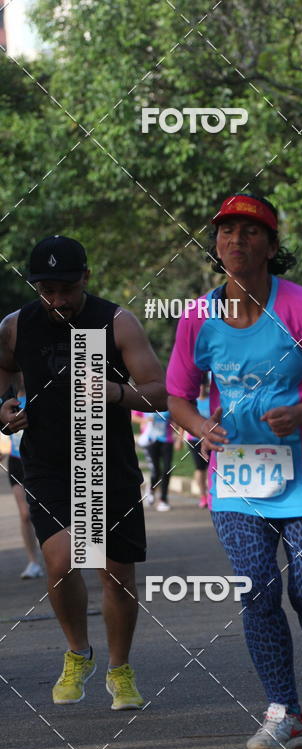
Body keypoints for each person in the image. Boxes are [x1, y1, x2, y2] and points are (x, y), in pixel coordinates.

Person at [167, 194, 302, 749]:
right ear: (215, 245)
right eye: (227, 231)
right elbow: (178, 396)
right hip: (237, 482)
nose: (237, 240)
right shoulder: (198, 318)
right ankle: (285, 711)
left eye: (251, 232)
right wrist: (198, 429)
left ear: (273, 246)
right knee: (257, 589)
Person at [0, 235, 167, 709]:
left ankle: (120, 668)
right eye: (46, 291)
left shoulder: (116, 322)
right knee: (61, 560)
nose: (57, 300)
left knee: (116, 574)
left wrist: (117, 394)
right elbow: (2, 370)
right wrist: (4, 407)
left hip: (106, 461)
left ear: (86, 279)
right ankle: (78, 652)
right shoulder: (16, 325)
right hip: (47, 463)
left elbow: (159, 392)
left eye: (66, 289)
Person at [2, 376, 43, 578]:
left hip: (40, 461)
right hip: (17, 461)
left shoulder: (40, 396)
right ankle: (33, 562)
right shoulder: (7, 399)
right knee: (25, 514)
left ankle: (58, 555)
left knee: (46, 511)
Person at [143, 409, 175, 511]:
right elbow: (134, 416)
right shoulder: (144, 402)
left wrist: (178, 437)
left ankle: (163, 499)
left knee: (167, 469)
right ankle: (151, 489)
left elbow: (177, 419)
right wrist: (145, 421)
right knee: (156, 471)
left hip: (167, 440)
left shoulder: (166, 401)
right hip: (151, 440)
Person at [187, 377, 211, 508]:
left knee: (210, 467)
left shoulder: (211, 401)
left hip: (210, 439)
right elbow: (184, 421)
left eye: (204, 385)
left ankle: (211, 493)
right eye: (199, 386)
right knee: (200, 468)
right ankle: (203, 496)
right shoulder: (193, 402)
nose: (201, 388)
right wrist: (179, 440)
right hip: (194, 440)